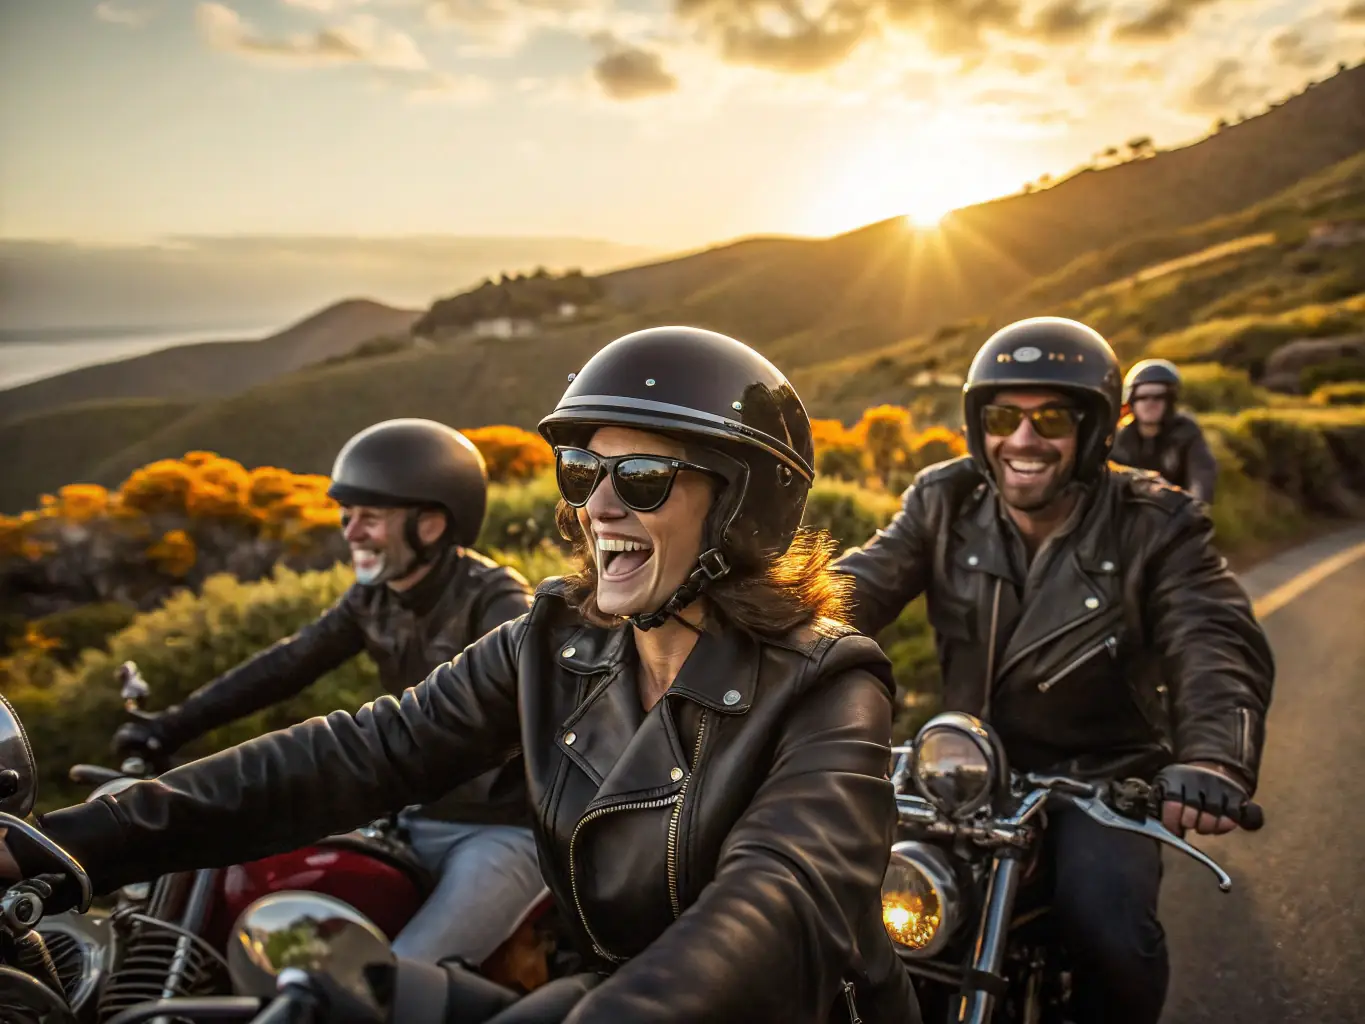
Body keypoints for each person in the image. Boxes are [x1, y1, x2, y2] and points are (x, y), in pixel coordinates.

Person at [2, 327, 920, 1024]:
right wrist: (65, 846)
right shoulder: (553, 642)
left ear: (743, 507)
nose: (598, 505)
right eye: (580, 470)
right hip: (598, 991)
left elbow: (776, 900)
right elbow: (358, 752)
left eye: (641, 477)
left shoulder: (830, 683)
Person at [831, 317, 1274, 1024]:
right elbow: (856, 589)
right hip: (961, 772)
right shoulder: (944, 500)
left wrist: (1212, 758)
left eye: (1052, 419)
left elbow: (1213, 638)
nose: (1022, 439)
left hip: (1103, 782)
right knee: (846, 907)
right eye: (1001, 417)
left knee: (1109, 927)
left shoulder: (1156, 523)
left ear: (1095, 431)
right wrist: (755, 648)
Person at [111, 418, 547, 974]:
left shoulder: (499, 602)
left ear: (431, 524)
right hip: (412, 819)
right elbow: (286, 665)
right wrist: (169, 726)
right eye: (347, 515)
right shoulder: (373, 599)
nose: (351, 532)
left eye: (370, 518)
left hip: (502, 831)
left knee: (394, 979)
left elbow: (527, 702)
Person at [1110, 358, 1218, 503]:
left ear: (1170, 401)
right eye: (1142, 397)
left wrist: (1194, 506)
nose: (1150, 403)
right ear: (1131, 401)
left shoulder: (1185, 433)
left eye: (1158, 397)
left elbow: (1202, 474)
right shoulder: (1120, 439)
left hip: (1178, 510)